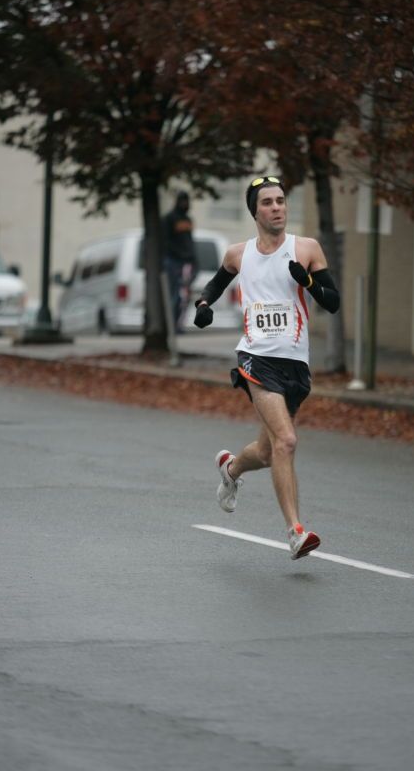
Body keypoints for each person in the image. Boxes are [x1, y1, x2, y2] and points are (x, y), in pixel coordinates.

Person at [193, 176, 340, 560]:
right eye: (268, 203)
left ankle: (231, 469)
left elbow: (334, 302)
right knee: (286, 441)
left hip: (295, 363)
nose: (277, 207)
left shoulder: (306, 249)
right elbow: (214, 285)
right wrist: (203, 307)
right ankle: (295, 531)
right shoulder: (239, 254)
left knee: (266, 449)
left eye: (280, 201)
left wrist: (307, 281)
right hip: (255, 358)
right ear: (255, 212)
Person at [163, 192, 198, 332]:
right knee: (174, 295)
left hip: (186, 262)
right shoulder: (169, 219)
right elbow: (166, 242)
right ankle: (171, 326)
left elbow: (189, 241)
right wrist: (179, 254)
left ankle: (178, 324)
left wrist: (193, 258)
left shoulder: (187, 220)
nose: (185, 204)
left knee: (184, 296)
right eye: (183, 201)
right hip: (173, 261)